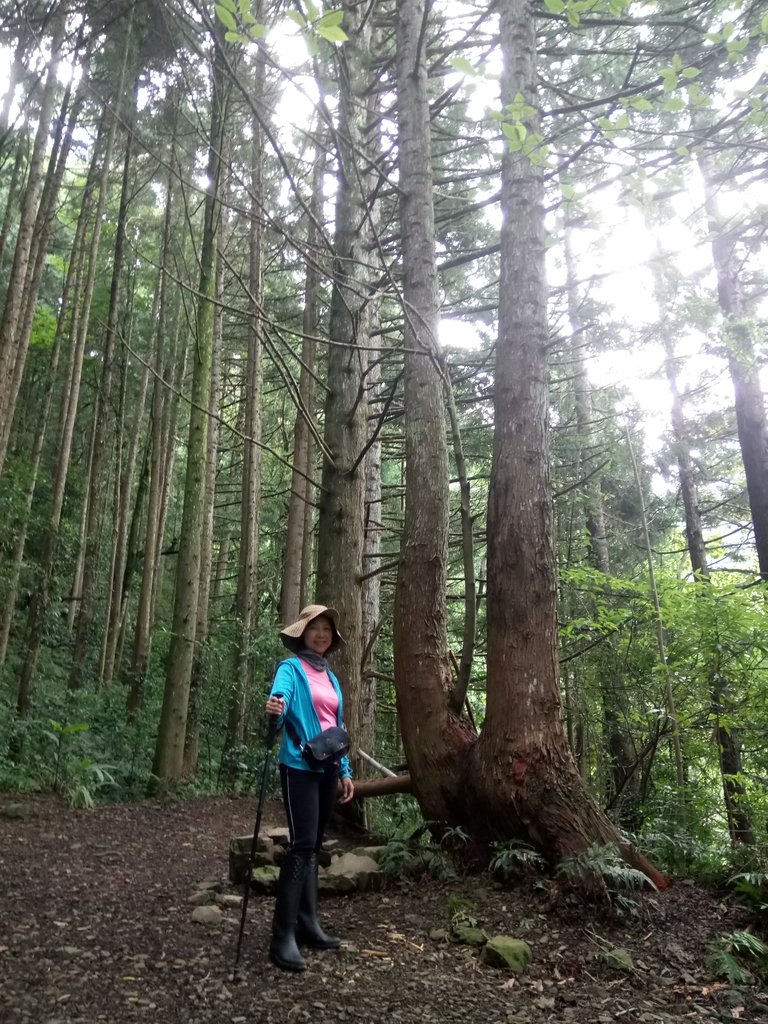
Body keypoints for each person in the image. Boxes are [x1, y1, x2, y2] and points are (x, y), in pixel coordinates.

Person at [265, 604, 354, 971]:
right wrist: (276, 706)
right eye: (314, 627)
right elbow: (281, 698)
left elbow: (336, 726)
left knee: (314, 847)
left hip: (328, 768)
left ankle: (308, 923)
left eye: (326, 629)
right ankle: (282, 935)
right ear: (302, 633)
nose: (320, 633)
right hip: (299, 767)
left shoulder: (330, 678)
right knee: (301, 846)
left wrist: (346, 770)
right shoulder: (291, 669)